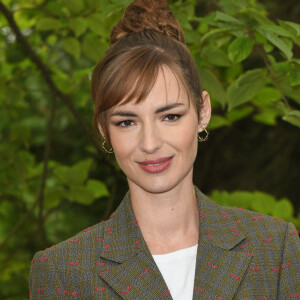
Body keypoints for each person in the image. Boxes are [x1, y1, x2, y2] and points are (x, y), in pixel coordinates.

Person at [29, 0, 300, 299]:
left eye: (170, 116)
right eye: (127, 122)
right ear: (104, 129)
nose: (150, 143)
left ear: (203, 112)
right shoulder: (63, 271)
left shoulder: (274, 249)